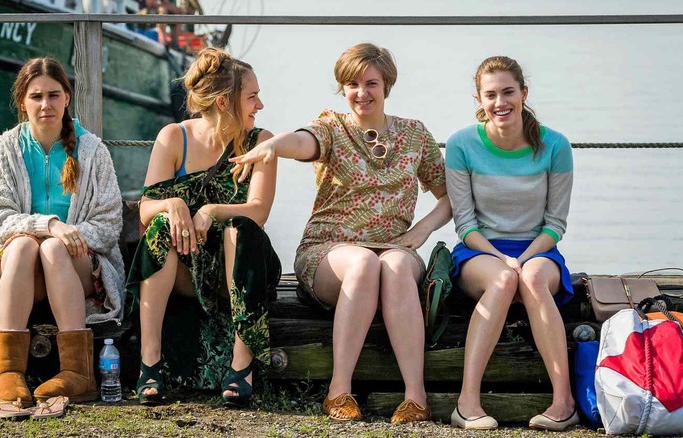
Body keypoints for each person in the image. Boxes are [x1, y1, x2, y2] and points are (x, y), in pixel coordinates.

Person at [231, 43, 451, 423]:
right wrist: (270, 147)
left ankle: (416, 397)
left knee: (395, 267)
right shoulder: (332, 126)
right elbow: (302, 141)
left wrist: (422, 229)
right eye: (352, 84)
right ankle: (339, 390)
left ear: (387, 86)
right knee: (364, 262)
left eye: (371, 83)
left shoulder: (415, 135)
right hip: (330, 249)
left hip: (395, 247)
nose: (361, 93)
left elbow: (450, 197)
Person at [126, 47, 281, 408]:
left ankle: (241, 366)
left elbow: (258, 211)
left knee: (240, 229)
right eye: (252, 96)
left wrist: (211, 210)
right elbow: (145, 210)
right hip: (187, 268)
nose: (260, 105)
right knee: (160, 227)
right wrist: (173, 203)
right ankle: (149, 363)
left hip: (242, 266)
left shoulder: (261, 141)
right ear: (225, 102)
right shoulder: (173, 137)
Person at [0, 57, 125, 417]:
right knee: (25, 244)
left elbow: (109, 221)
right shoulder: (4, 150)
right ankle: (9, 372)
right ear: (22, 101)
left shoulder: (92, 151)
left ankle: (77, 372)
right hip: (23, 270)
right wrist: (50, 225)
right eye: (36, 96)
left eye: (54, 95)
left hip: (78, 268)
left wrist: (66, 236)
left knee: (54, 249)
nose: (46, 105)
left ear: (67, 98)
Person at [445, 55, 577, 431]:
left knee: (531, 279)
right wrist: (502, 259)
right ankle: (467, 403)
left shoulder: (555, 146)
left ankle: (563, 403)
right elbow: (466, 224)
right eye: (490, 95)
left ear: (524, 93)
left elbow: (555, 224)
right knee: (503, 280)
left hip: (538, 250)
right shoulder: (460, 144)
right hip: (480, 250)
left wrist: (523, 259)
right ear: (478, 100)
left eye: (508, 92)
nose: (500, 102)